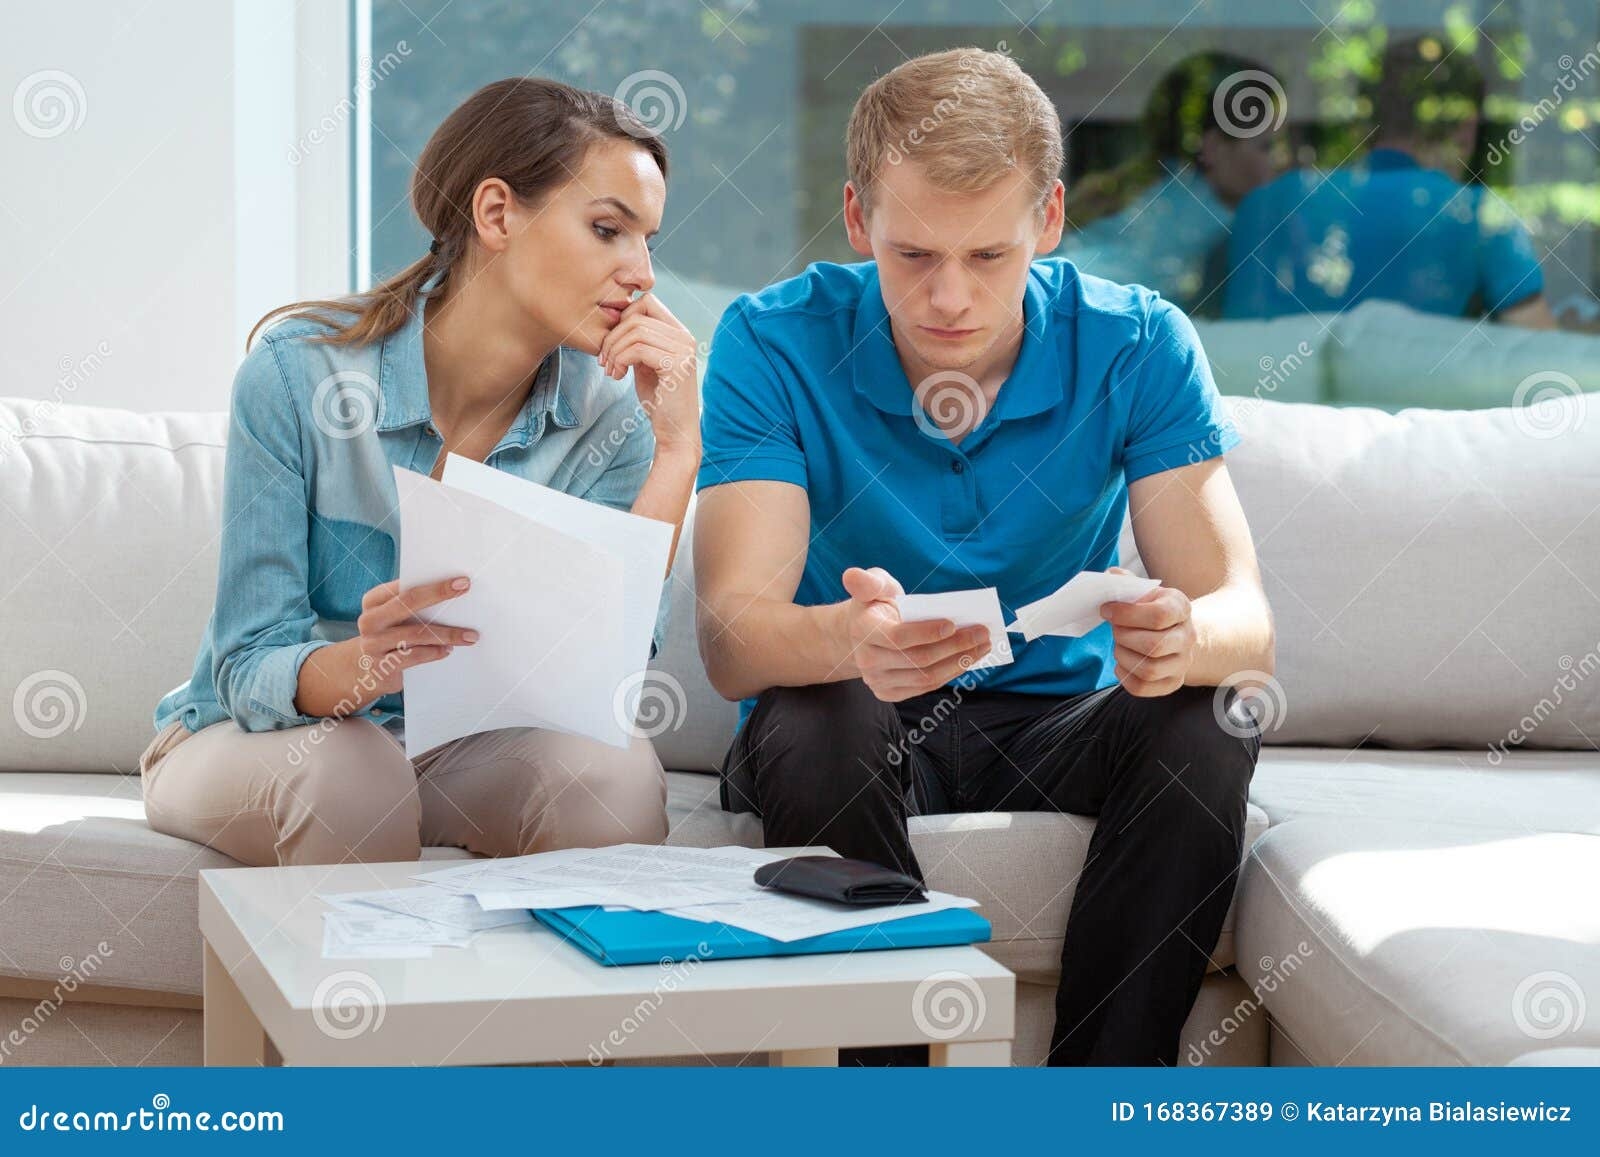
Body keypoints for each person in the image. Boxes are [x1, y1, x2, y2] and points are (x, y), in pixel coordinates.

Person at [693, 48, 1274, 1066]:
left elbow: (1246, 621)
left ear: (1048, 221)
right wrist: (843, 634)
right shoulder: (770, 340)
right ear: (858, 217)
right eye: (913, 255)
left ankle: (1094, 1105)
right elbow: (733, 644)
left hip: (1056, 724)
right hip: (853, 716)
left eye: (988, 257)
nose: (948, 298)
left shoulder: (1137, 343)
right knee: (813, 706)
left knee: (1211, 709)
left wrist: (1184, 635)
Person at [140, 78, 702, 868]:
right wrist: (365, 663)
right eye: (609, 229)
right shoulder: (298, 376)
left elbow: (608, 679)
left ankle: (556, 995)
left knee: (613, 772)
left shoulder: (614, 416)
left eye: (649, 240)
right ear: (498, 213)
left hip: (457, 753)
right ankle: (355, 996)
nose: (641, 273)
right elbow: (247, 662)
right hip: (266, 739)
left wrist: (680, 450)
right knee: (354, 771)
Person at [1222, 36, 1556, 327]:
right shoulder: (1482, 216)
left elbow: (1234, 344)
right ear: (1466, 128)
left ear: (1366, 122)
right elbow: (1539, 350)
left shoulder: (1264, 205)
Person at [1061, 52, 1287, 314]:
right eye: (1267, 147)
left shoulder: (1165, 198)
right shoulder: (1184, 223)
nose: (1283, 161)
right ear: (1214, 148)